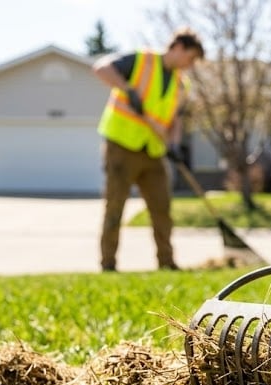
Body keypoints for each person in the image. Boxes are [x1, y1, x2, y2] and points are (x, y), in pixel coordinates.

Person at [91, 27, 204, 272]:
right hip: (121, 146)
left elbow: (175, 120)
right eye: (191, 57)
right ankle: (108, 264)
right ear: (178, 47)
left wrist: (174, 144)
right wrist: (128, 90)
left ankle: (167, 262)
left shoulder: (181, 84)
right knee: (115, 207)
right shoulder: (141, 60)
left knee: (162, 208)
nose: (191, 64)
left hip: (153, 151)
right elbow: (101, 69)